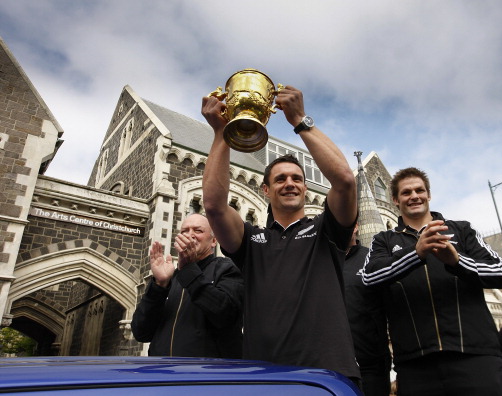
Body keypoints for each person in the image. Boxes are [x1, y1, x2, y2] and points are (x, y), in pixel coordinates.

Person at [201, 85, 360, 382]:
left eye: (297, 179)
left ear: (305, 187)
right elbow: (213, 205)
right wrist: (222, 135)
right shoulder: (251, 240)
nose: (290, 183)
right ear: (266, 189)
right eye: (281, 179)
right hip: (264, 375)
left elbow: (345, 181)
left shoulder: (326, 229)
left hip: (327, 374)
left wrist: (300, 120)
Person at [361, 167, 502, 396]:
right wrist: (415, 253)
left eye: (419, 190)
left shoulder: (461, 230)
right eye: (406, 192)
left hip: (475, 355)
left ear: (428, 195)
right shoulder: (385, 240)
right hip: (415, 364)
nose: (414, 196)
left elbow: (500, 273)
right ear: (395, 200)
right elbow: (369, 277)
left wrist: (457, 261)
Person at [131, 213, 243, 358]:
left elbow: (226, 315)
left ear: (214, 241)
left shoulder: (227, 269)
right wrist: (159, 285)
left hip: (208, 376)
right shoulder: (171, 278)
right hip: (164, 373)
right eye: (185, 231)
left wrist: (189, 272)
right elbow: (141, 332)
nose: (190, 235)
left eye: (198, 231)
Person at [344, 224, 391, 396]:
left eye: (346, 223)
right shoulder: (321, 261)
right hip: (331, 365)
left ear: (355, 227)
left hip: (371, 365)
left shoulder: (372, 259)